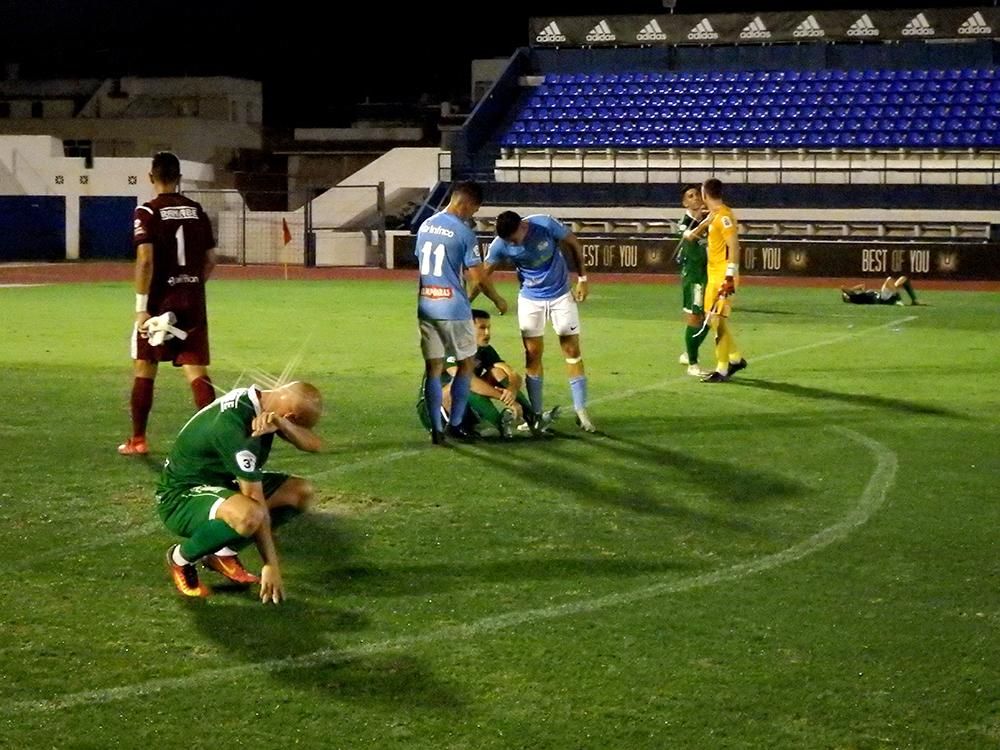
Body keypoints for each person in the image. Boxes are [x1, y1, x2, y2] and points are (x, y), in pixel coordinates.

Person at [157, 381, 323, 603]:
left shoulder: (261, 403)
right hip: (181, 497)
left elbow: (315, 445)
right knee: (250, 514)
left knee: (300, 492)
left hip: (221, 483)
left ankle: (222, 553)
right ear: (292, 414)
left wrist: (282, 425)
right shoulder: (233, 428)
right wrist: (270, 565)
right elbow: (254, 499)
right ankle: (180, 558)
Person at [118, 151, 218, 455]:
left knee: (145, 365)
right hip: (192, 300)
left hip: (160, 302)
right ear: (179, 178)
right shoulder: (197, 210)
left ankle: (138, 440)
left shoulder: (146, 212)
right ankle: (215, 441)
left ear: (151, 177)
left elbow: (145, 259)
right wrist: (193, 283)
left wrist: (141, 306)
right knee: (196, 369)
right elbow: (211, 258)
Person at [478, 211, 597, 432]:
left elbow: (572, 242)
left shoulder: (544, 224)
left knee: (571, 351)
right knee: (532, 356)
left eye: (514, 239)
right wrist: (467, 302)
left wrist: (582, 279)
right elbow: (482, 274)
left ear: (523, 226)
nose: (512, 244)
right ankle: (536, 415)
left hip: (561, 295)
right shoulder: (500, 244)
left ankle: (581, 412)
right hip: (530, 300)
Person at [416, 181, 507, 446]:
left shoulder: (425, 225)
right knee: (466, 366)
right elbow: (477, 277)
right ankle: (455, 425)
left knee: (434, 368)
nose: (472, 215)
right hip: (453, 307)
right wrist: (498, 299)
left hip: (427, 305)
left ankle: (436, 427)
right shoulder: (464, 232)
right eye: (474, 210)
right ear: (467, 203)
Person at [416, 309, 560, 438]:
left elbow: (512, 373)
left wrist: (511, 391)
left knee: (498, 372)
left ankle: (533, 420)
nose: (487, 333)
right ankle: (500, 423)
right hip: (433, 409)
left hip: (462, 406)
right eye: (482, 328)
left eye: (489, 328)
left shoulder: (484, 349)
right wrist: (505, 399)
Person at [700, 178, 748, 383]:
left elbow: (734, 245)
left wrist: (730, 274)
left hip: (723, 276)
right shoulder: (716, 215)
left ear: (705, 194)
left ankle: (722, 368)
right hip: (713, 275)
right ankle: (735, 358)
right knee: (712, 319)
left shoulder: (724, 217)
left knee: (717, 320)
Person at [674, 185, 711, 377]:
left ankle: (689, 353)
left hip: (709, 274)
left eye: (698, 194)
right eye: (691, 196)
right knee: (695, 318)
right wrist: (705, 222)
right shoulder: (684, 222)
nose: (696, 198)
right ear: (685, 203)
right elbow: (690, 237)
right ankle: (693, 364)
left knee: (712, 317)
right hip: (694, 276)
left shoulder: (709, 218)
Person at [841, 276, 921, 305]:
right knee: (889, 279)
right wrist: (849, 291)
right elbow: (843, 288)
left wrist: (852, 289)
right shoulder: (855, 299)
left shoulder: (860, 296)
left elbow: (862, 286)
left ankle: (915, 301)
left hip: (885, 296)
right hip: (882, 299)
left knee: (903, 279)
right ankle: (898, 298)